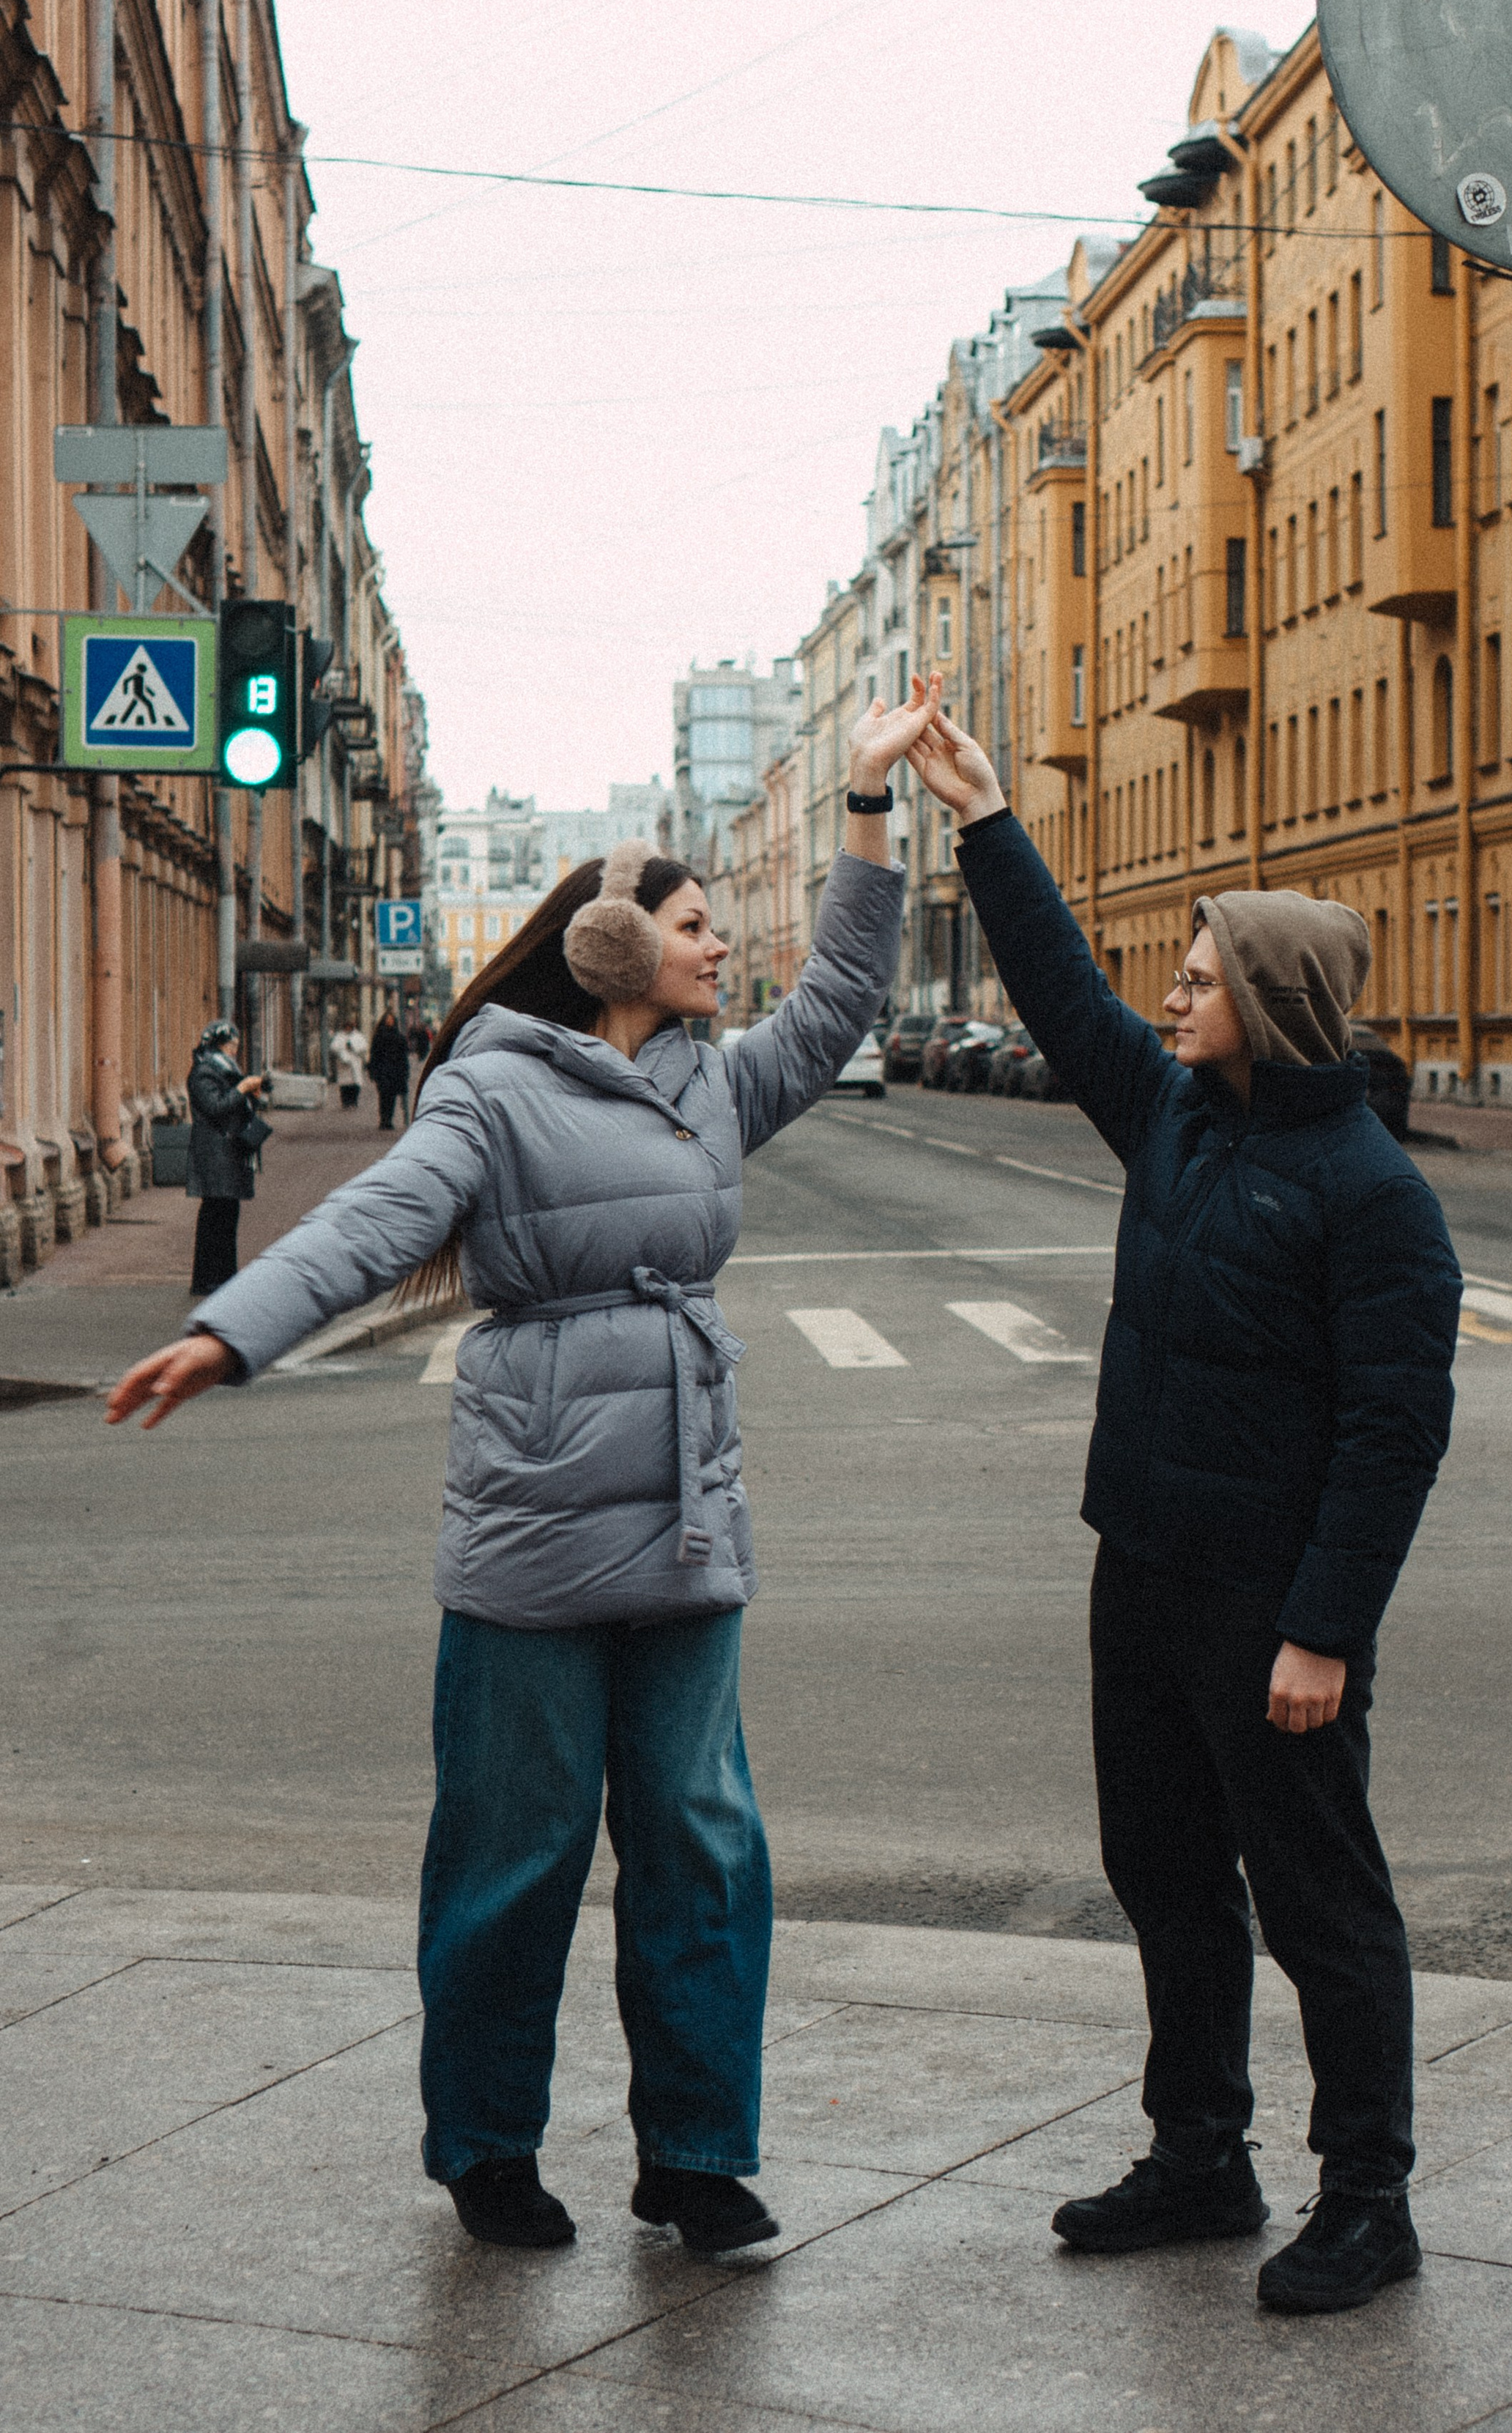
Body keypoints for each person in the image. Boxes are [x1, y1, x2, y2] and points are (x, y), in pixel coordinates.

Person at [105, 684, 934, 2258]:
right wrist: (236, 1333)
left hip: (689, 1517)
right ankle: (486, 2145)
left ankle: (696, 2158)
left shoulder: (713, 1082)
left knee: (701, 1843)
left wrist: (867, 811)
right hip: (536, 1522)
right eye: (695, 927)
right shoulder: (492, 1088)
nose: (717, 949)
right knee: (513, 1854)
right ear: (615, 951)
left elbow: (837, 992)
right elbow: (374, 1222)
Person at [907, 696, 1461, 2317]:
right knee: (1157, 1865)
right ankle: (1200, 2158)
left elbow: (1393, 1435)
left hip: (1265, 1604)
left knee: (1319, 1907)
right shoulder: (1173, 1121)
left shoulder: (1373, 1197)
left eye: (1201, 979)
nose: (1170, 995)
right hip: (1139, 1568)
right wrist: (987, 820)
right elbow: (1070, 1000)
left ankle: (1366, 2197)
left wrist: (1322, 1632)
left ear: (1270, 1003)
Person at [185, 1021, 267, 1297]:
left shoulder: (226, 1070)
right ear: (219, 1045)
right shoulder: (204, 1073)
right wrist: (242, 1089)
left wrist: (252, 1095)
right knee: (214, 1216)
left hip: (229, 1151)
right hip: (215, 1153)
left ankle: (226, 1275)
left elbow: (237, 1106)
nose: (235, 1051)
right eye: (232, 1045)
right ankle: (207, 1279)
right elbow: (216, 1107)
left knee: (227, 1215)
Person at [368, 1007, 410, 1130]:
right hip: (382, 1071)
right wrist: (373, 1070)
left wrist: (405, 1072)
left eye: (391, 1020)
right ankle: (384, 1119)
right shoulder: (379, 1037)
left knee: (391, 1097)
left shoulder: (399, 1038)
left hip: (395, 1072)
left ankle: (388, 1120)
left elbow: (404, 1057)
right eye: (388, 1020)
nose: (390, 1022)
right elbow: (374, 1054)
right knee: (383, 1095)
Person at [330, 1022, 368, 1109]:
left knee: (355, 1084)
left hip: (355, 1062)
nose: (348, 1029)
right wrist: (341, 1050)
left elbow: (364, 1047)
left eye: (349, 1027)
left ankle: (353, 1102)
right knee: (345, 1085)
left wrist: (353, 1047)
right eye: (346, 1027)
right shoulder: (339, 1036)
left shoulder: (358, 1036)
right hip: (343, 1063)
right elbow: (333, 1047)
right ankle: (346, 1102)